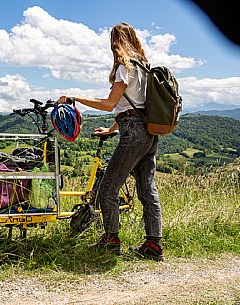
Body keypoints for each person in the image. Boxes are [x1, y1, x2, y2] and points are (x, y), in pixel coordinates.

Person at [59, 22, 163, 261]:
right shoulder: (145, 68)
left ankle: (111, 241)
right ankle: (154, 244)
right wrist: (112, 128)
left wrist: (75, 98)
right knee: (148, 190)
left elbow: (109, 104)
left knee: (108, 187)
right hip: (148, 133)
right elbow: (136, 107)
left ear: (115, 42)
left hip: (133, 134)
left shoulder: (124, 67)